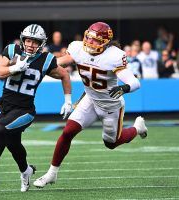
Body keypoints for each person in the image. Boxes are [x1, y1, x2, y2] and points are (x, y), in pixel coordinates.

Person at [33, 22, 148, 188]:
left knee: (111, 143)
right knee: (67, 132)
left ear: (105, 42)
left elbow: (135, 82)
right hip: (90, 99)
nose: (89, 42)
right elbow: (60, 62)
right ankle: (51, 173)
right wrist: (38, 64)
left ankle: (137, 128)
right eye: (88, 38)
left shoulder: (114, 56)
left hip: (110, 106)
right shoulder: (78, 48)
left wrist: (124, 87)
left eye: (94, 40)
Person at [0, 24, 72, 192]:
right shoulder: (12, 50)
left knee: (1, 129)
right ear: (23, 39)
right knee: (13, 143)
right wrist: (14, 68)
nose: (30, 44)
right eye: (28, 40)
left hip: (25, 110)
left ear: (41, 43)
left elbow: (64, 74)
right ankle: (26, 171)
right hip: (6, 106)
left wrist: (68, 100)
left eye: (35, 42)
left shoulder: (45, 59)